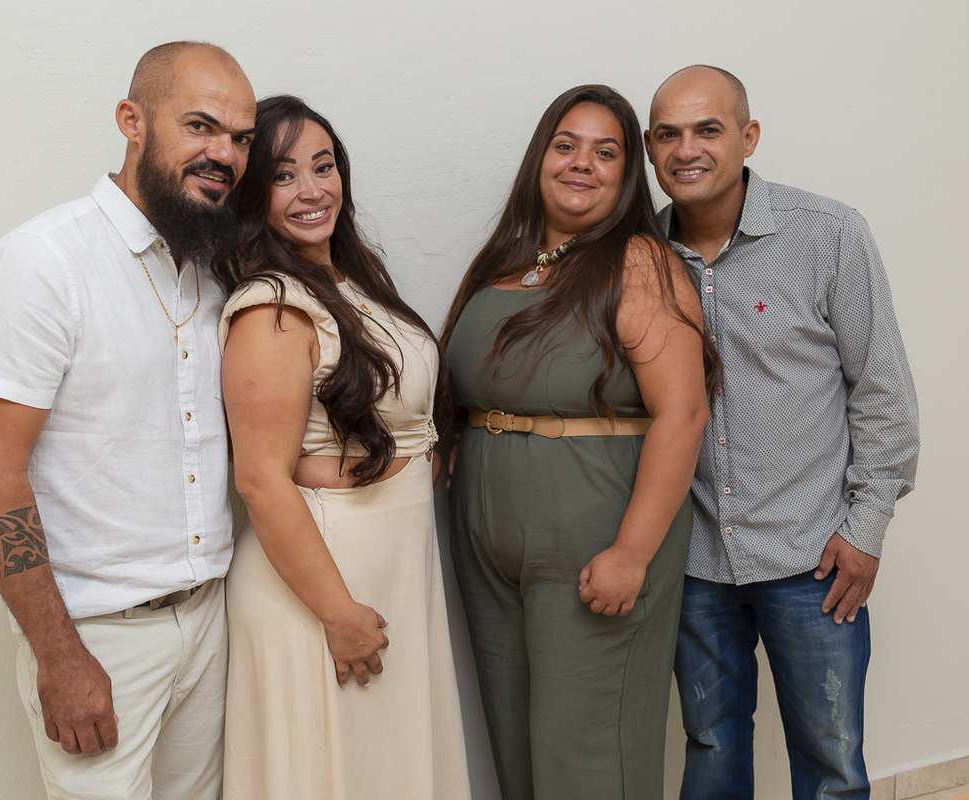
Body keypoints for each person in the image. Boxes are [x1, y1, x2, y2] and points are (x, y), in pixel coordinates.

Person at [0, 42, 255, 799]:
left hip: (209, 619)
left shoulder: (209, 270)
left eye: (241, 138)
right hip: (97, 636)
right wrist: (58, 655)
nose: (224, 154)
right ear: (132, 120)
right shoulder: (43, 262)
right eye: (200, 126)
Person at [645, 65, 920, 800]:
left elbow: (883, 392)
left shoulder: (828, 234)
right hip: (695, 558)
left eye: (708, 129)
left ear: (749, 136)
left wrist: (866, 528)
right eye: (668, 134)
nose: (686, 149)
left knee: (833, 765)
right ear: (649, 147)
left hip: (813, 558)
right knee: (710, 750)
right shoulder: (637, 254)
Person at [442, 84, 716, 800]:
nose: (581, 164)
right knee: (514, 738)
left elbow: (684, 414)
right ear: (541, 158)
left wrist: (632, 554)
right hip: (486, 539)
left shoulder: (638, 263)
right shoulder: (505, 261)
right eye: (566, 146)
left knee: (585, 749)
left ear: (628, 175)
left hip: (596, 532)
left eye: (606, 152)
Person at [216, 95, 471, 800]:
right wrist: (337, 612)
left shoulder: (353, 283)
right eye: (283, 175)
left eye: (322, 167)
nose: (311, 190)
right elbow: (260, 479)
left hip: (392, 565)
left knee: (388, 771)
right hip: (325, 583)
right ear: (251, 195)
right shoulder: (272, 308)